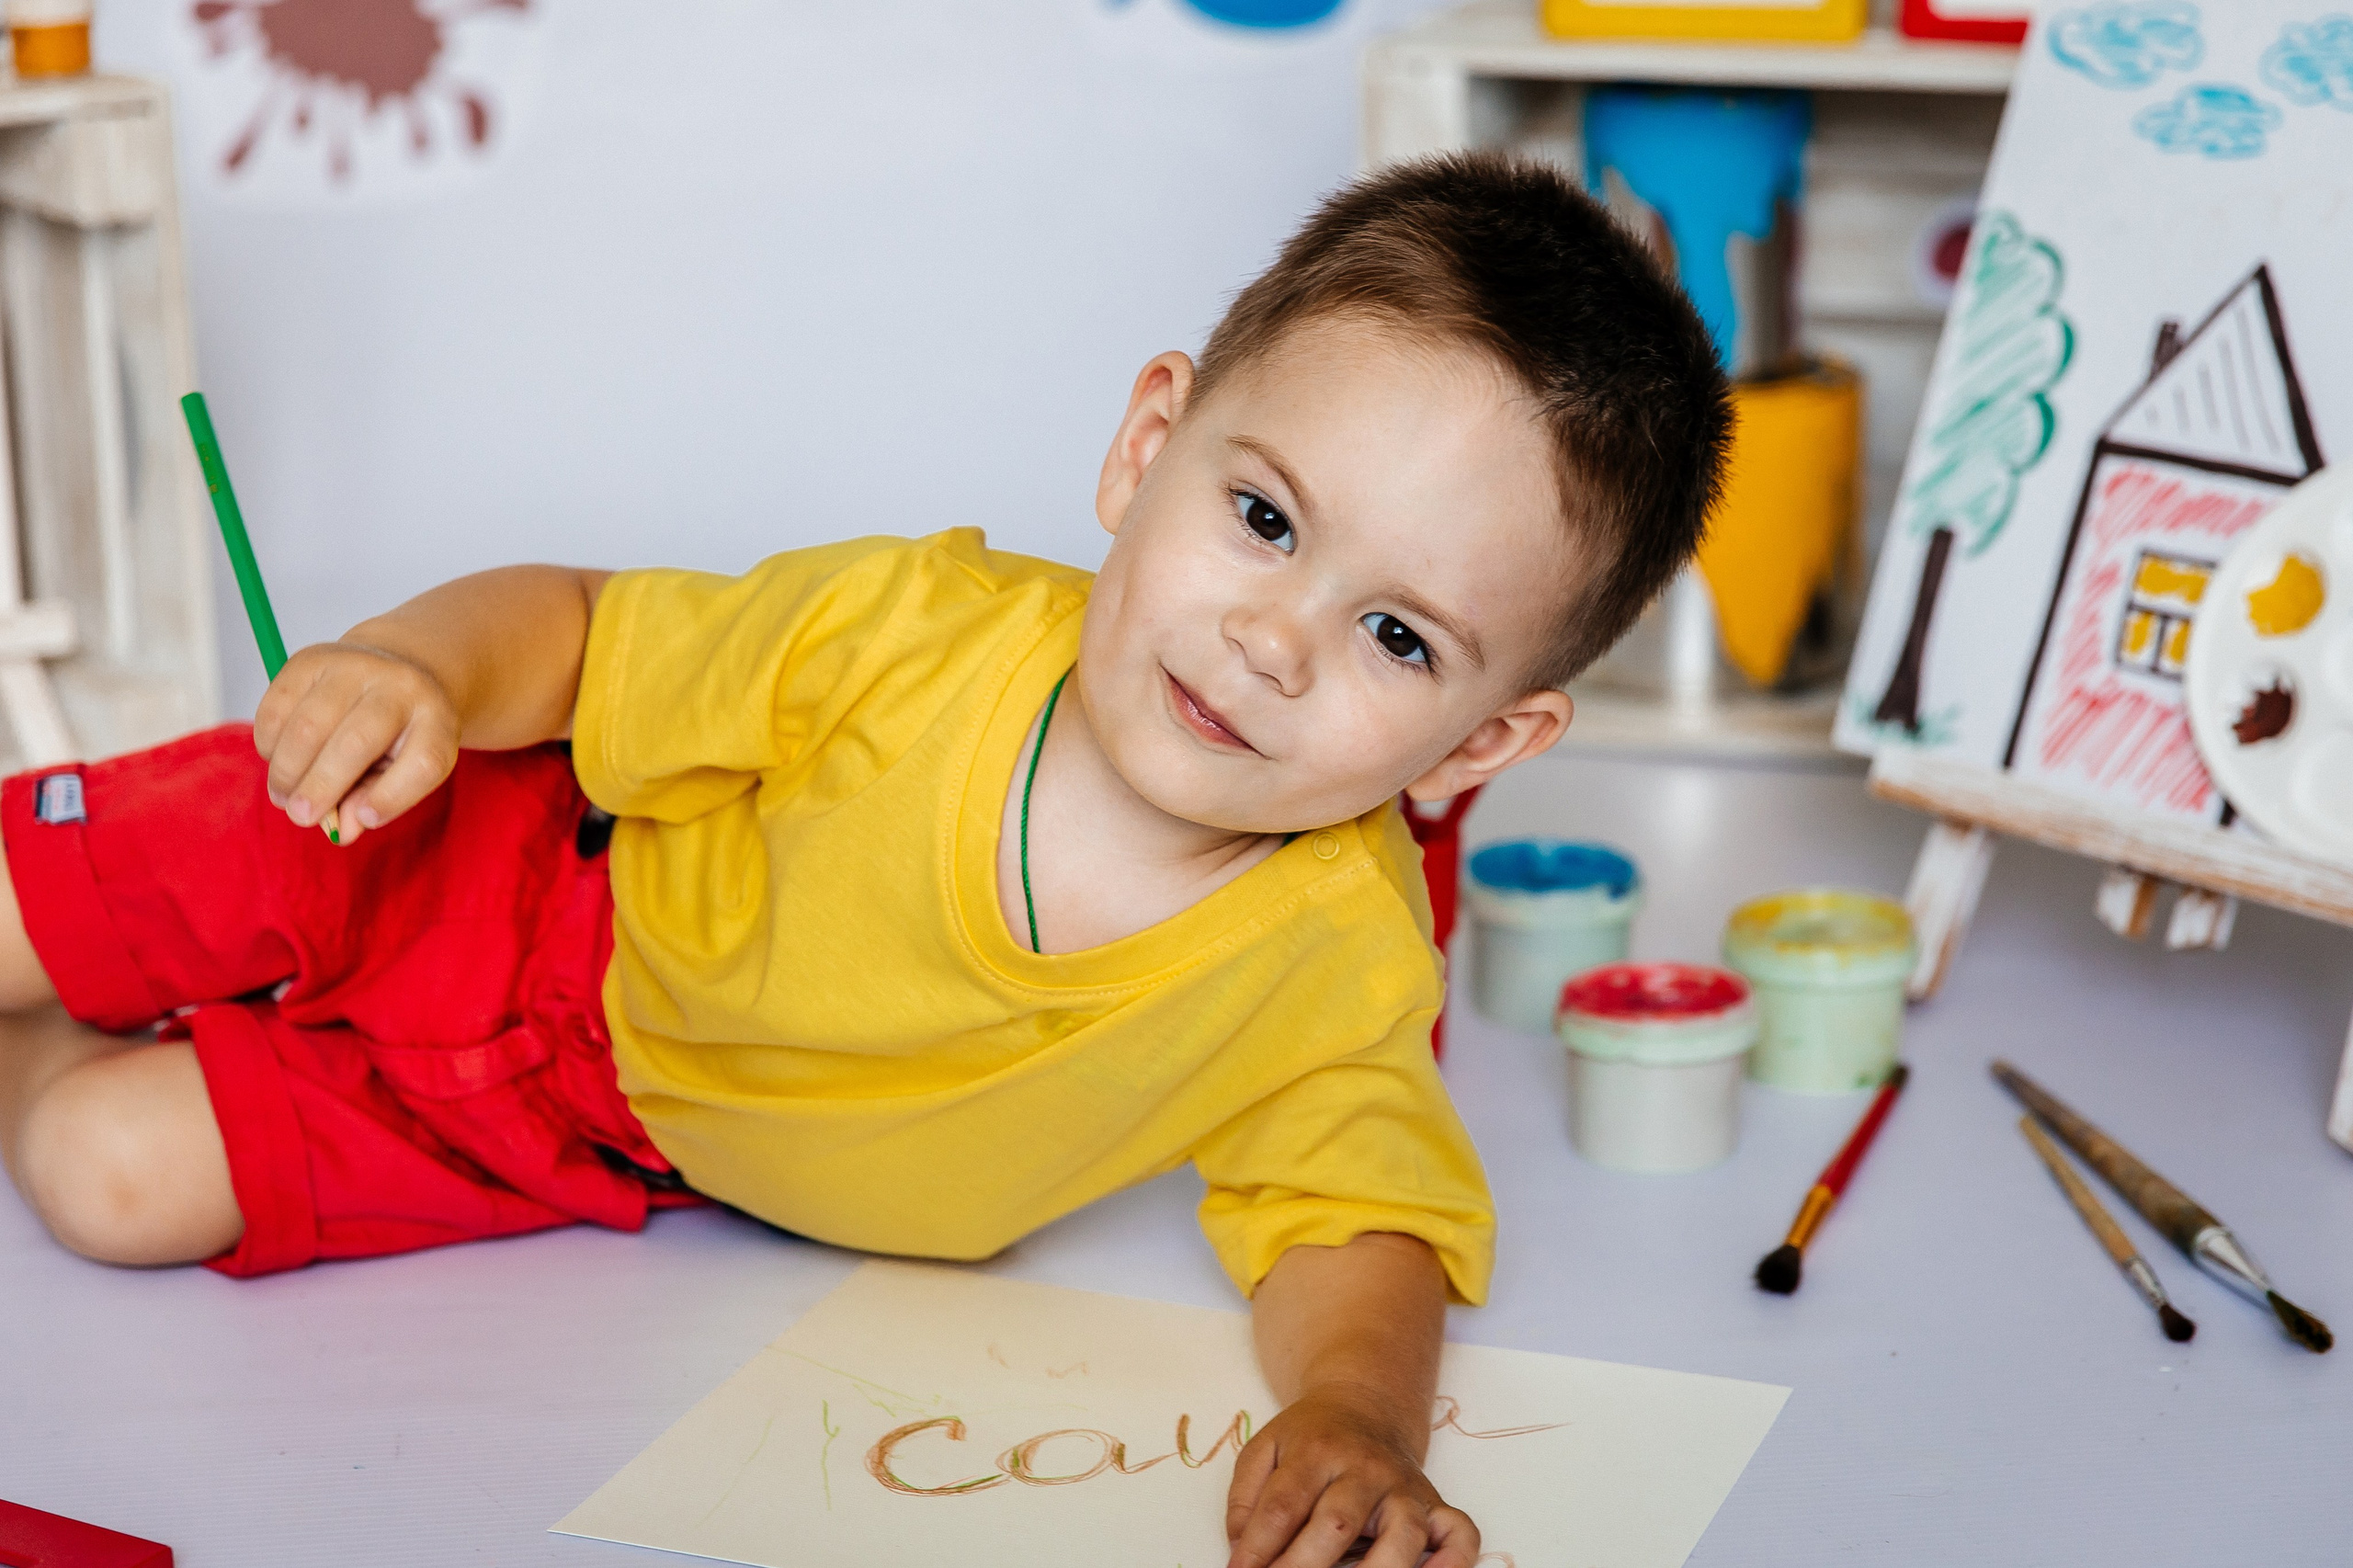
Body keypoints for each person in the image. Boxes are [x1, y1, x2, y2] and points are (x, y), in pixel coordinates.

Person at [0, 151, 1728, 1568]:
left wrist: (1354, 1413)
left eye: (1398, 638)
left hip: (587, 1129)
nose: (1274, 642)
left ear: (1486, 742)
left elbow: (1355, 1218)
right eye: (1264, 519)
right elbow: (592, 633)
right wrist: (416, 665)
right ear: (1149, 447)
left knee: (105, 1175)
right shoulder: (915, 629)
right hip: (481, 842)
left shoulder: (1333, 958)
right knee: (33, 909)